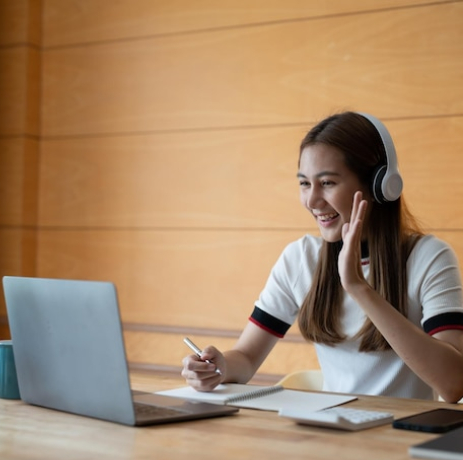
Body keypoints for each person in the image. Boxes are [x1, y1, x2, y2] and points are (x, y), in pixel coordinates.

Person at [181, 111, 463, 403]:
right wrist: (219, 367)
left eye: (327, 183)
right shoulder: (300, 259)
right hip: (333, 432)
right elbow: (247, 357)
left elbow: (454, 384)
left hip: (404, 437)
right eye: (305, 183)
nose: (312, 201)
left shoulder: (428, 257)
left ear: (380, 186)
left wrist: (359, 288)